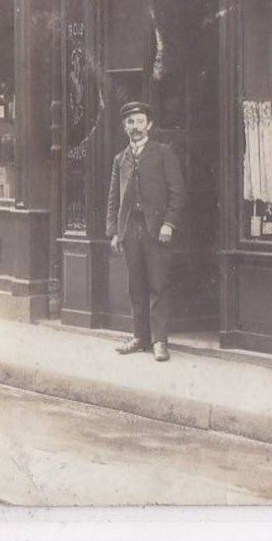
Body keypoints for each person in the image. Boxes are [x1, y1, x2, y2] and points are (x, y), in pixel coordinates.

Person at [107, 101, 186, 362]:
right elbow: (113, 198)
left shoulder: (163, 153)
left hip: (156, 229)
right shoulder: (121, 159)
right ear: (124, 127)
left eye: (140, 121)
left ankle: (159, 341)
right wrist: (115, 232)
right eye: (130, 122)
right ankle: (140, 337)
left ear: (149, 125)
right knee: (136, 286)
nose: (135, 127)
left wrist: (169, 224)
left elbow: (177, 192)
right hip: (131, 230)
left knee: (158, 285)